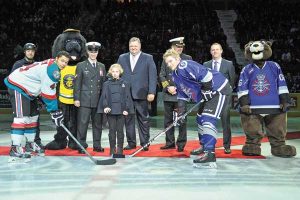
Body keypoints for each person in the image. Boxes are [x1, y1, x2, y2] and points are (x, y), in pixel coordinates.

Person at [163, 49, 232, 168]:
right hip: (208, 93)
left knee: (207, 119)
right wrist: (181, 113)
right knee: (200, 118)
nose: (169, 64)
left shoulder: (185, 65)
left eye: (171, 61)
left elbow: (207, 75)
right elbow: (182, 95)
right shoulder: (175, 75)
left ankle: (210, 153)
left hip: (219, 90)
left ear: (178, 59)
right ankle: (204, 146)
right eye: (167, 63)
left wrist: (207, 89)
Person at [4, 51, 70, 162]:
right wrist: (54, 111)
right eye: (62, 61)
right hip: (18, 85)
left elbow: (47, 90)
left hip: (29, 89)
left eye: (66, 62)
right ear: (57, 58)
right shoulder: (52, 71)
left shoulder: (53, 66)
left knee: (33, 117)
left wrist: (55, 111)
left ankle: (30, 144)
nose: (64, 64)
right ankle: (15, 148)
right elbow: (48, 94)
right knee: (22, 118)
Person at [117, 37, 157, 151]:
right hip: (126, 95)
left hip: (142, 94)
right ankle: (131, 143)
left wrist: (151, 92)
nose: (133, 48)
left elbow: (153, 76)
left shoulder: (148, 58)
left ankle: (145, 143)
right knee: (128, 119)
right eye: (131, 46)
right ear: (129, 47)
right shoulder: (122, 57)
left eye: (135, 46)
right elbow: (117, 74)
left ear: (140, 46)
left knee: (143, 119)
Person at [198, 43, 236, 154]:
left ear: (221, 51)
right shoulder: (206, 64)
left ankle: (227, 145)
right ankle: (204, 145)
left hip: (223, 98)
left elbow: (232, 82)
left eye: (217, 49)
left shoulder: (228, 64)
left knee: (225, 122)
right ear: (210, 52)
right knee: (205, 122)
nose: (215, 51)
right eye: (213, 50)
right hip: (210, 99)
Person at [159, 37, 192, 152]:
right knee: (168, 120)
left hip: (181, 95)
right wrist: (167, 87)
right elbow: (162, 75)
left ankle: (181, 143)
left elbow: (189, 77)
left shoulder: (188, 59)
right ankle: (170, 142)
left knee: (182, 120)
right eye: (177, 47)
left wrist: (177, 88)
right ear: (172, 47)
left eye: (181, 47)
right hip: (168, 95)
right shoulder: (166, 59)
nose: (180, 49)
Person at [10, 43, 45, 150]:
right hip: (21, 97)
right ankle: (16, 145)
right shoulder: (18, 64)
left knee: (34, 120)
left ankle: (34, 142)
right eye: (28, 50)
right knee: (21, 120)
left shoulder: (38, 65)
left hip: (33, 97)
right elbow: (12, 80)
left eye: (32, 51)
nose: (30, 52)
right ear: (25, 52)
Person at [74, 41, 106, 154]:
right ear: (87, 52)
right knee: (82, 124)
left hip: (98, 100)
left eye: (95, 52)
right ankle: (81, 145)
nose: (93, 54)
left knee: (98, 124)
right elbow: (77, 83)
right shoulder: (81, 65)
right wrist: (76, 98)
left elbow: (103, 85)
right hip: (84, 99)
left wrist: (104, 100)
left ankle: (97, 145)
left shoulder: (102, 66)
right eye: (91, 52)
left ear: (98, 52)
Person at [97, 64, 134, 155]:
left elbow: (127, 97)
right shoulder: (106, 84)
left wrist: (127, 109)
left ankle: (120, 149)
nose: (115, 73)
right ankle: (112, 149)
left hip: (121, 111)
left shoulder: (125, 83)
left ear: (120, 72)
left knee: (120, 131)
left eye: (116, 71)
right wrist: (105, 106)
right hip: (111, 110)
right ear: (110, 72)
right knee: (112, 130)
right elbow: (104, 96)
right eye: (113, 71)